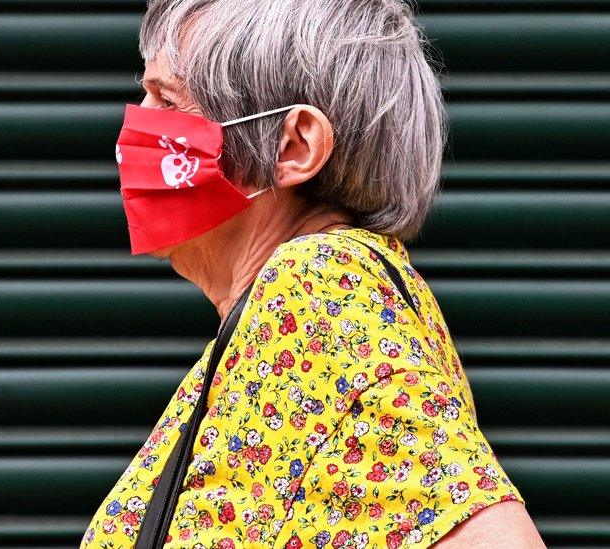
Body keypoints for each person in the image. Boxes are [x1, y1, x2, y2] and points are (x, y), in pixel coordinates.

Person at [81, 0, 546, 547]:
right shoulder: (289, 305)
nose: (136, 123)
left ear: (295, 147)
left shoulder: (319, 286)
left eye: (167, 99)